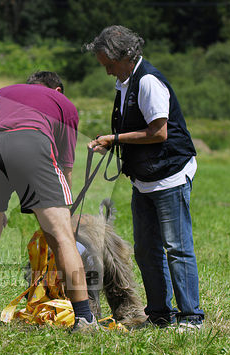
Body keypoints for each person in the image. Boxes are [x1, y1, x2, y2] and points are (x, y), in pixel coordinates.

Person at [84, 25, 204, 330]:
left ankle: (191, 317)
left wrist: (115, 139)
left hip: (169, 176)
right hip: (144, 178)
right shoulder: (125, 83)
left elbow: (158, 132)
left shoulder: (148, 81)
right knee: (146, 249)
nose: (108, 71)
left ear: (125, 56)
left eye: (109, 65)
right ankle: (159, 314)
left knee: (176, 248)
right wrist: (111, 141)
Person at [0, 71, 96, 332]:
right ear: (58, 90)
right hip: (32, 141)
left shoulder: (3, 92)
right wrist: (64, 212)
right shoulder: (64, 104)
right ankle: (85, 317)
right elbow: (66, 165)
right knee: (63, 238)